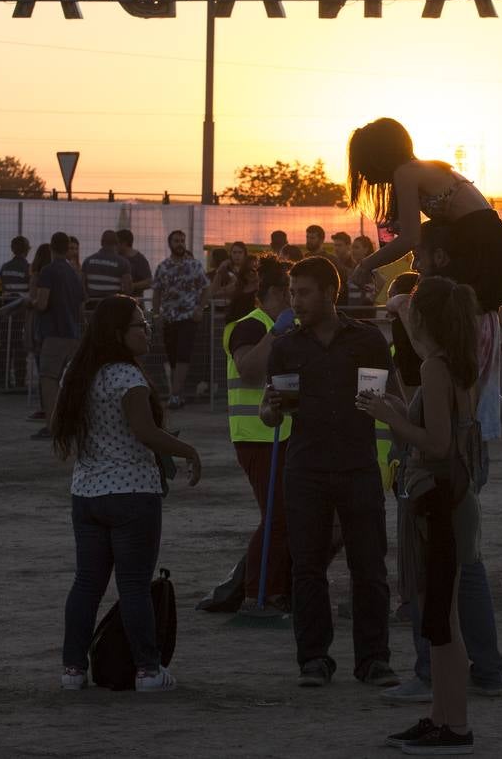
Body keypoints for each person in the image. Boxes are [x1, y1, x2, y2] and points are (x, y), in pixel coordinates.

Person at [259, 256, 398, 688]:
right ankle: (314, 660)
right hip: (307, 469)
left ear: (329, 293)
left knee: (369, 567)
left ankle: (373, 660)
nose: (294, 301)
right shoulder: (286, 348)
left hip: (357, 467)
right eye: (292, 292)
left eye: (303, 292)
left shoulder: (368, 341)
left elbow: (386, 398)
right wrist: (270, 409)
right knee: (307, 569)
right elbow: (270, 414)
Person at [359, 276, 482, 755]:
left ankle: (454, 727)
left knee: (442, 621)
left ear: (424, 318)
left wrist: (392, 420)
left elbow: (436, 444)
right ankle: (443, 718)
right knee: (441, 617)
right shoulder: (454, 364)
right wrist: (395, 409)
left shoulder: (435, 367)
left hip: (437, 499)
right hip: (450, 498)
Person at [53, 294, 202, 693]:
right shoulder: (128, 379)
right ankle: (148, 670)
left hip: (86, 493)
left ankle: (72, 669)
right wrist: (186, 450)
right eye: (140, 325)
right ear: (119, 333)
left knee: (87, 584)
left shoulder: (77, 373)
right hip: (133, 492)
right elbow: (145, 432)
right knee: (134, 584)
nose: (147, 331)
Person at [348, 117, 502, 313]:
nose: (363, 174)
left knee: (435, 317)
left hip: (483, 253)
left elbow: (410, 238)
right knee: (458, 322)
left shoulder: (405, 172)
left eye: (362, 163)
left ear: (377, 156)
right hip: (497, 249)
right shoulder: (422, 169)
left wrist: (366, 266)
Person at [225, 256, 295, 611]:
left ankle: (276, 589)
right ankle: (258, 592)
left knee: (287, 514)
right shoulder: (251, 326)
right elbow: (249, 370)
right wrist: (276, 333)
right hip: (256, 435)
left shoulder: (286, 327)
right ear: (282, 292)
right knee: (278, 515)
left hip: (281, 434)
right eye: (293, 291)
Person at [33, 231, 84, 440]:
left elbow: (43, 303)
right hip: (73, 333)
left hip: (54, 334)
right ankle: (71, 424)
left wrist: (30, 303)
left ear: (52, 248)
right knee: (69, 383)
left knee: (49, 379)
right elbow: (81, 305)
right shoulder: (75, 273)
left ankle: (52, 426)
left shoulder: (48, 271)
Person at [152, 229, 209, 410]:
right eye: (176, 240)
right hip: (169, 318)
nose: (180, 244)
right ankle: (178, 392)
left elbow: (206, 288)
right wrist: (155, 314)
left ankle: (174, 394)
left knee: (183, 354)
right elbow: (157, 291)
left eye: (182, 240)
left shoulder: (194, 266)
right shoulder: (163, 267)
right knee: (173, 356)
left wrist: (200, 308)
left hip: (188, 318)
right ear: (170, 244)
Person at [25, 243, 53, 420]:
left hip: (37, 325)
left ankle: (45, 407)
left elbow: (36, 301)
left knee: (41, 367)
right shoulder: (55, 275)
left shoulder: (37, 277)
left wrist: (29, 303)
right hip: (52, 327)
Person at [0, 235, 31, 389]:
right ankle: (20, 380)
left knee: (6, 347)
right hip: (21, 313)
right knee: (20, 348)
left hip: (7, 313)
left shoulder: (5, 268)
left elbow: (4, 289)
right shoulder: (29, 269)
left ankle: (4, 379)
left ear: (12, 249)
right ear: (27, 250)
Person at [82, 230, 132, 308]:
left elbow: (82, 285)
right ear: (117, 243)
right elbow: (127, 288)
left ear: (101, 243)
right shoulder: (123, 263)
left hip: (92, 305)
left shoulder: (88, 261)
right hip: (113, 305)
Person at [345, 235, 383, 316]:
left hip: (363, 313)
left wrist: (370, 300)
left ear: (366, 250)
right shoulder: (356, 267)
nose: (353, 251)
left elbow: (381, 281)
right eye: (352, 247)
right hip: (353, 311)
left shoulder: (367, 266)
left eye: (356, 247)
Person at [116, 229, 153, 298]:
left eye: (116, 243)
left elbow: (149, 282)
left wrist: (132, 285)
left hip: (134, 302)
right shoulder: (116, 257)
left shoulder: (139, 259)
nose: (115, 246)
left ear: (124, 243)